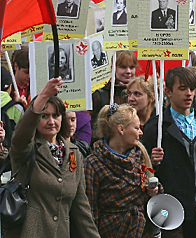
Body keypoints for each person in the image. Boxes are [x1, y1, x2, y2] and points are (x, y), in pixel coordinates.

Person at [8, 77, 99, 238]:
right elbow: (21, 136)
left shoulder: (73, 152)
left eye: (56, 116)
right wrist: (43, 96)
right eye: (44, 116)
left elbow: (81, 207)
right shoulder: (26, 149)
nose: (51, 121)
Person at [142, 67, 196, 238]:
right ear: (168, 91)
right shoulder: (155, 128)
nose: (189, 94)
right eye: (182, 88)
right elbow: (143, 170)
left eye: (192, 88)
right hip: (169, 207)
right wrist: (153, 163)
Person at [84, 103, 160, 238]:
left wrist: (153, 191)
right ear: (121, 129)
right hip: (111, 232)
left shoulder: (140, 156)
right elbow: (89, 210)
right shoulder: (93, 163)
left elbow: (155, 195)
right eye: (136, 128)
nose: (141, 132)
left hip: (141, 231)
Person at [91, 51, 138, 140]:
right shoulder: (100, 94)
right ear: (113, 68)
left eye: (132, 67)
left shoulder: (142, 91)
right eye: (123, 67)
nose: (128, 71)